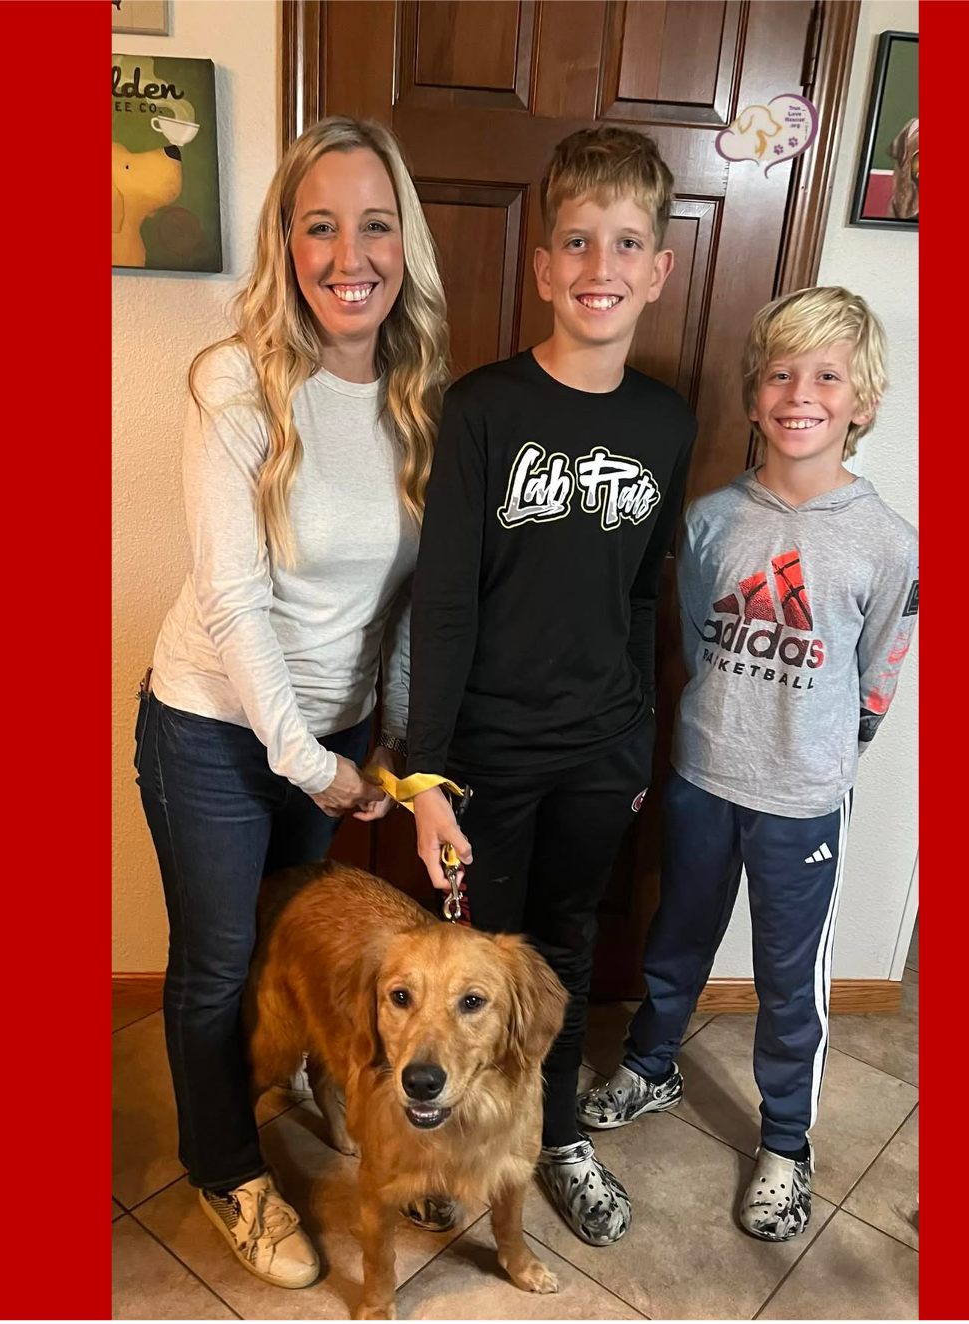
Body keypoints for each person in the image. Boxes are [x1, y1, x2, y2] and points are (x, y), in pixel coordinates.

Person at [133, 115, 450, 1286]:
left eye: (374, 225)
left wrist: (393, 752)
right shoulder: (235, 380)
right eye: (319, 226)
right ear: (285, 242)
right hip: (216, 728)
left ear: (404, 245)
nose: (348, 256)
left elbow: (406, 604)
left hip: (337, 735)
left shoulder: (418, 394)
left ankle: (298, 1072)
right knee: (218, 963)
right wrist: (312, 766)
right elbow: (232, 600)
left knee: (292, 936)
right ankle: (226, 1169)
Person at [576, 285, 919, 1242]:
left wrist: (827, 755)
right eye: (780, 374)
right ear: (754, 395)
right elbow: (690, 635)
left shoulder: (889, 543)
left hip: (803, 797)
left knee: (789, 976)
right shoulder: (710, 519)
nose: (800, 394)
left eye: (827, 377)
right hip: (701, 775)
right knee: (677, 936)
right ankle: (651, 1064)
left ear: (862, 401)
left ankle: (786, 1142)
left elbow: (880, 669)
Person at [404, 126, 696, 1246]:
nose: (598, 267)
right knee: (475, 965)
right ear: (540, 265)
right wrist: (427, 776)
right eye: (576, 241)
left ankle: (557, 1134)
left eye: (624, 244)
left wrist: (635, 741)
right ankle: (460, 1147)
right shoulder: (482, 409)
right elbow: (444, 602)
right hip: (486, 754)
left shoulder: (665, 421)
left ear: (658, 269)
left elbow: (641, 594)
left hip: (598, 751)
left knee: (564, 952)